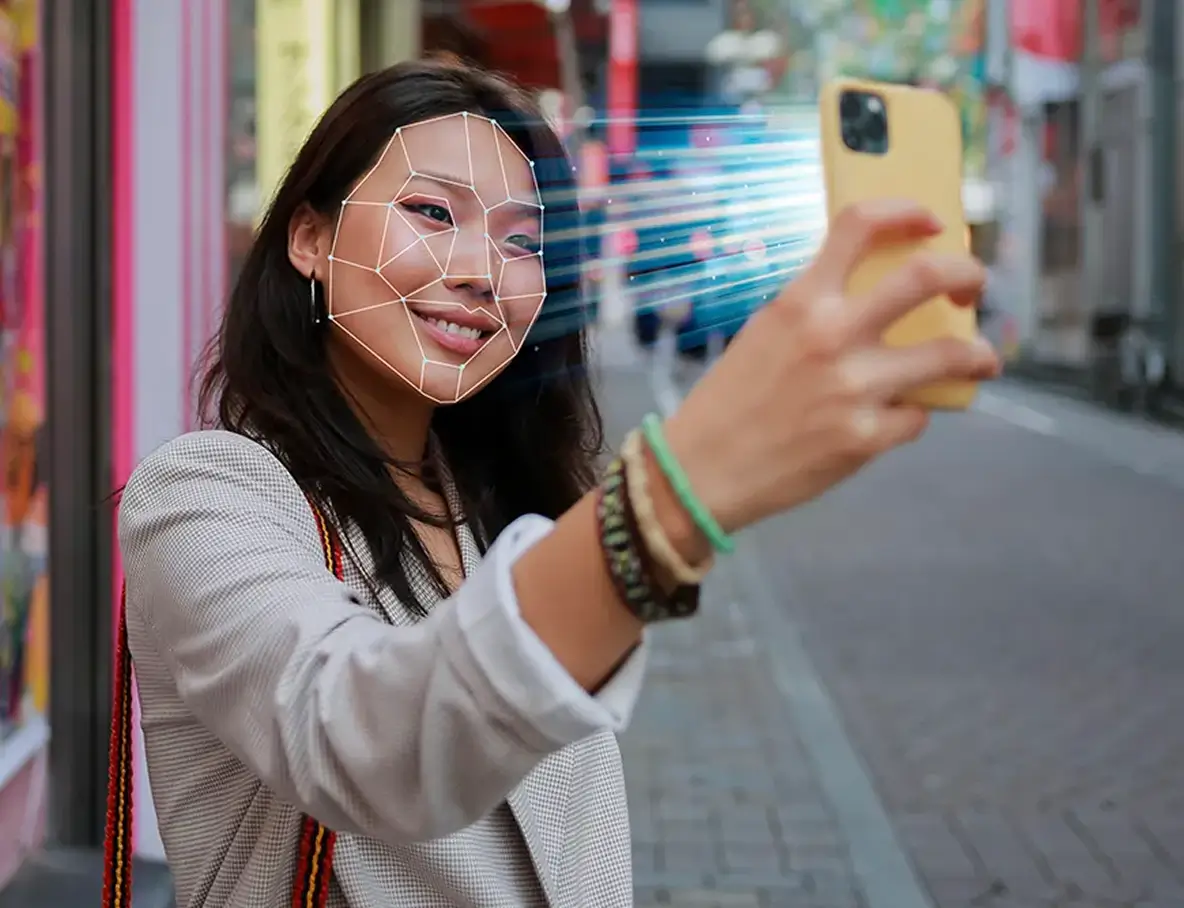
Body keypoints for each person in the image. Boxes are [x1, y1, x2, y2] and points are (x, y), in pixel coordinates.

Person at [112, 58, 999, 908]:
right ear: (310, 238)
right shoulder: (206, 495)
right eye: (431, 211)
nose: (480, 272)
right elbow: (355, 736)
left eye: (522, 240)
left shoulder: (502, 508)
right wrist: (674, 497)